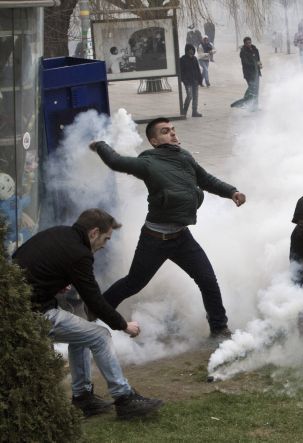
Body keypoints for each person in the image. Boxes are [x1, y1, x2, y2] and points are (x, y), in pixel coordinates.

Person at [89, 118, 246, 340]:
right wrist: (100, 145)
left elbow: (206, 180)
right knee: (134, 283)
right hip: (155, 240)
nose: (172, 133)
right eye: (165, 131)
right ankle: (96, 310)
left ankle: (219, 328)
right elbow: (116, 162)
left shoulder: (185, 157)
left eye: (173, 129)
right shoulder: (148, 163)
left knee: (208, 280)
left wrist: (232, 192)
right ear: (153, 141)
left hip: (181, 237)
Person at [12, 208, 163, 419]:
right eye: (105, 239)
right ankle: (125, 399)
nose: (104, 245)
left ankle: (83, 398)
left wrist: (53, 284)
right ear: (93, 233)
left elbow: (24, 263)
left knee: (83, 332)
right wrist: (123, 325)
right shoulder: (80, 254)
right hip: (32, 315)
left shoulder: (59, 233)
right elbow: (94, 300)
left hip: (15, 310)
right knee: (100, 335)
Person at [230, 37, 262, 111]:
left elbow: (258, 60)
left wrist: (259, 64)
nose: (249, 44)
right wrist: (255, 64)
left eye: (250, 42)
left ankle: (255, 106)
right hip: (249, 74)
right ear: (244, 44)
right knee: (252, 89)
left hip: (256, 72)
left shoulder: (255, 49)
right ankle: (243, 102)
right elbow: (246, 63)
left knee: (256, 90)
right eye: (247, 43)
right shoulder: (243, 52)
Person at [180, 44, 203, 117]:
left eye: (192, 49)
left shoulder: (195, 59)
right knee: (189, 96)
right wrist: (184, 80)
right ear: (187, 50)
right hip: (188, 82)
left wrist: (200, 80)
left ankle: (194, 112)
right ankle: (184, 111)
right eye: (190, 49)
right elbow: (181, 72)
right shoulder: (182, 59)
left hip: (195, 81)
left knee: (195, 97)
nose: (191, 51)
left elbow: (198, 69)